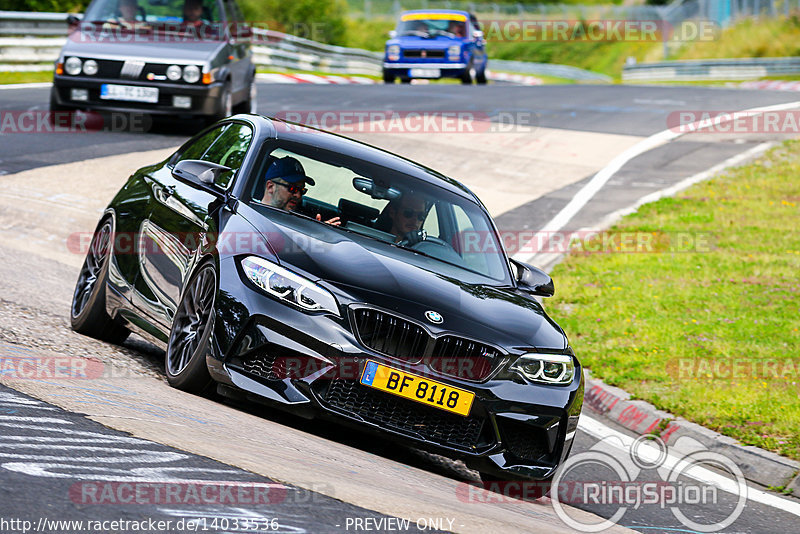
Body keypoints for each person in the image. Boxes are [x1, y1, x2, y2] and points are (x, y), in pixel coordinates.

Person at [260, 156, 340, 225]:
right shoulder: (252, 218)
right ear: (270, 187)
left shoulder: (298, 223)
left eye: (302, 190)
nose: (298, 195)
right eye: (292, 189)